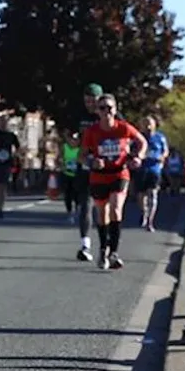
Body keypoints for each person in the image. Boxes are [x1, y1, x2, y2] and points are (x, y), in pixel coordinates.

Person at [80, 92, 146, 270]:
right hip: (99, 176)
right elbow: (82, 156)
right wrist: (92, 162)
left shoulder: (123, 128)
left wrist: (138, 157)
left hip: (119, 173)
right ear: (97, 111)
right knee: (102, 213)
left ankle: (114, 253)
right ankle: (103, 249)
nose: (106, 112)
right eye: (102, 108)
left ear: (115, 110)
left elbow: (142, 141)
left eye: (110, 108)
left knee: (116, 208)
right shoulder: (92, 132)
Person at [74, 84, 102, 261]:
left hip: (105, 167)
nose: (89, 104)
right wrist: (73, 141)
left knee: (104, 208)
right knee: (85, 205)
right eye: (86, 101)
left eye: (92, 100)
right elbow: (70, 136)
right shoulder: (80, 116)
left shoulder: (108, 114)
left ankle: (106, 245)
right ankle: (85, 245)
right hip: (85, 165)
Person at [135, 115, 169, 232]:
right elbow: (132, 150)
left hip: (155, 170)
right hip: (141, 169)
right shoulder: (139, 138)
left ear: (154, 125)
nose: (148, 127)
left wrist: (162, 157)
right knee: (141, 195)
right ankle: (144, 212)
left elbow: (165, 151)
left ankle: (150, 221)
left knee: (153, 194)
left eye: (150, 124)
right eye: (146, 124)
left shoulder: (160, 138)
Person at [59, 129, 84, 216]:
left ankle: (78, 206)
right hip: (66, 173)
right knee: (67, 192)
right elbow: (60, 158)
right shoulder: (64, 147)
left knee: (77, 192)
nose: (74, 141)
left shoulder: (81, 149)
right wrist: (61, 163)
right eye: (72, 139)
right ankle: (69, 209)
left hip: (77, 174)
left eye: (76, 140)